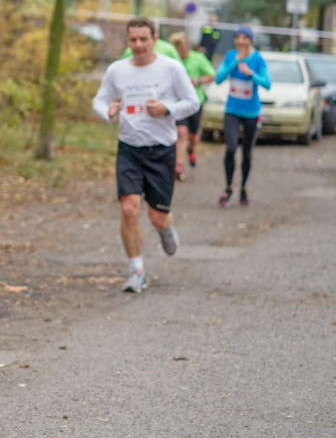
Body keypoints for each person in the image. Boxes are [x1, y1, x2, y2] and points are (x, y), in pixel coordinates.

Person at [92, 16, 199, 293]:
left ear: (155, 39)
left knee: (157, 217)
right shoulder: (117, 70)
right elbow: (100, 100)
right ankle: (136, 271)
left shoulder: (171, 68)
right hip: (129, 148)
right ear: (127, 41)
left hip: (161, 149)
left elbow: (192, 102)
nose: (138, 45)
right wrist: (108, 112)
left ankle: (165, 229)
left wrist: (165, 109)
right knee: (129, 209)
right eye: (133, 40)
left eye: (143, 39)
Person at [214, 26, 270, 207]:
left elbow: (267, 83)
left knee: (247, 152)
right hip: (232, 110)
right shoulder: (231, 55)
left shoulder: (257, 59)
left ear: (250, 40)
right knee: (231, 148)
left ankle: (243, 187)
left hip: (251, 112)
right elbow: (218, 78)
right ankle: (228, 187)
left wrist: (251, 73)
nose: (240, 41)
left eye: (244, 38)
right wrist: (234, 63)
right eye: (237, 37)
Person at [168, 32, 216, 181]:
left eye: (181, 49)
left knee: (193, 136)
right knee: (180, 132)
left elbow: (211, 75)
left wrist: (198, 80)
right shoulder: (171, 61)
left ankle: (191, 148)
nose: (179, 53)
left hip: (196, 102)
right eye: (176, 50)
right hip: (178, 103)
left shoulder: (198, 58)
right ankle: (178, 165)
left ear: (186, 46)